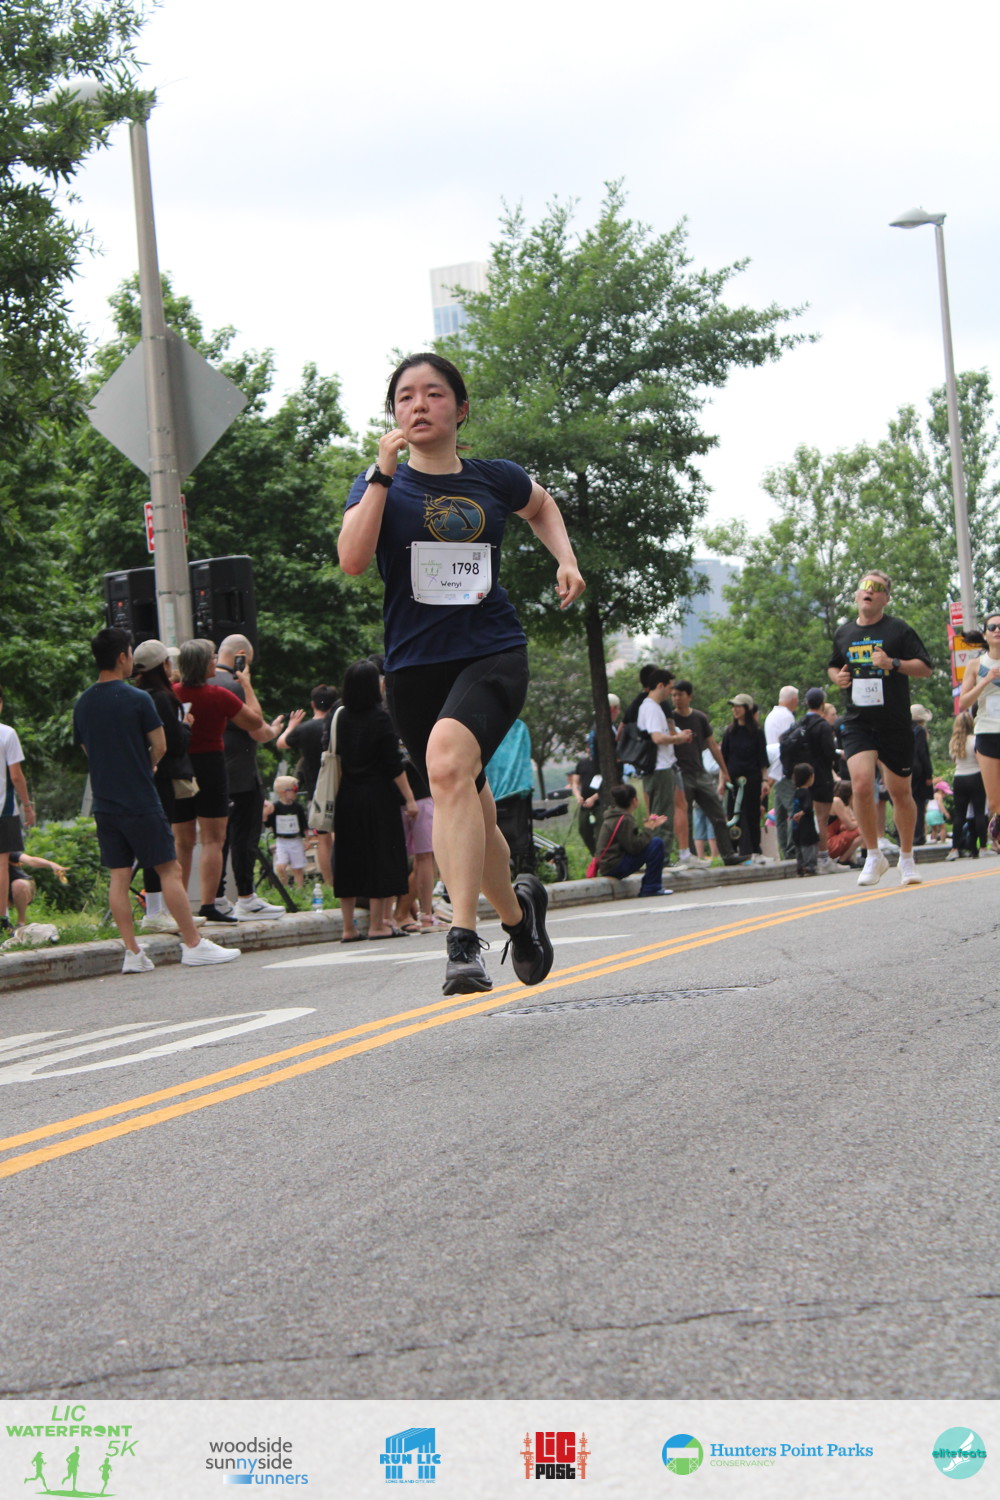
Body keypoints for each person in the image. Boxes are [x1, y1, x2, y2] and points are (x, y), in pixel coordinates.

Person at [338, 352, 585, 995]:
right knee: (468, 803)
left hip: (491, 651)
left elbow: (542, 506)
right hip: (414, 667)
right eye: (405, 396)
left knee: (447, 766)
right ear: (393, 414)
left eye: (434, 393)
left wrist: (565, 559)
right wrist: (381, 474)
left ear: (461, 408)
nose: (419, 405)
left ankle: (462, 941)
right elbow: (353, 560)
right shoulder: (377, 484)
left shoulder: (495, 477)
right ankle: (520, 917)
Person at [72, 628, 238, 970]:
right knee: (169, 869)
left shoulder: (84, 702)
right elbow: (161, 745)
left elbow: (87, 749)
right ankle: (193, 943)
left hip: (105, 801)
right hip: (140, 798)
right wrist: (145, 764)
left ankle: (132, 952)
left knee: (119, 876)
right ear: (122, 656)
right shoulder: (138, 699)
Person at [827, 568, 932, 887]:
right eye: (865, 586)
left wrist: (893, 664)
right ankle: (873, 855)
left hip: (894, 723)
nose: (869, 591)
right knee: (860, 785)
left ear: (886, 598)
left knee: (900, 792)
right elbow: (834, 665)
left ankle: (907, 857)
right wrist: (838, 677)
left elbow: (925, 668)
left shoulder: (898, 630)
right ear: (857, 595)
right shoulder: (844, 633)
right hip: (858, 721)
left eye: (877, 587)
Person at [172, 639, 272, 925]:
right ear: (204, 664)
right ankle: (209, 903)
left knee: (183, 841)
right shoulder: (219, 695)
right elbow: (255, 722)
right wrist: (247, 685)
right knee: (213, 840)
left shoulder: (171, 694)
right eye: (212, 658)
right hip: (212, 766)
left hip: (180, 767)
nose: (215, 662)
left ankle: (178, 907)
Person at [333, 658, 419, 942]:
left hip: (347, 796)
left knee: (349, 858)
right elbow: (393, 764)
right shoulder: (380, 718)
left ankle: (348, 928)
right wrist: (410, 799)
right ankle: (377, 925)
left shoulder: (340, 717)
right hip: (379, 797)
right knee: (380, 856)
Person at [213, 634, 295, 920]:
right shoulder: (233, 686)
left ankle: (216, 897)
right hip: (240, 776)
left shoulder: (201, 684)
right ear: (240, 656)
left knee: (216, 841)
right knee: (243, 839)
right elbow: (257, 728)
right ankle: (246, 897)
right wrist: (275, 730)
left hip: (211, 774)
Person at [131, 638, 206, 934]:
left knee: (156, 843)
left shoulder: (137, 695)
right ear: (163, 665)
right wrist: (185, 725)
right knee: (161, 844)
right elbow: (173, 743)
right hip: (162, 776)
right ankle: (157, 911)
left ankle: (162, 910)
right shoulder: (162, 698)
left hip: (141, 777)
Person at [669, 680, 741, 865]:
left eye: (680, 695)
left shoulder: (699, 718)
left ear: (690, 696)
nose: (676, 698)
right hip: (680, 773)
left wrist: (724, 770)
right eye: (674, 695)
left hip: (699, 772)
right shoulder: (670, 718)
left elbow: (712, 745)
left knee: (717, 813)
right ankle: (689, 856)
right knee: (685, 817)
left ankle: (728, 854)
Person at [277, 683, 339, 886]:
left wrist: (292, 725)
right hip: (341, 787)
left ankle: (330, 883)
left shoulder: (304, 729)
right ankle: (346, 880)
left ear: (312, 704)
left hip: (317, 791)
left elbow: (281, 743)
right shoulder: (339, 724)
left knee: (323, 839)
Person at [957, 610, 1000, 852]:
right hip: (987, 732)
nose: (997, 630)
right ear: (985, 635)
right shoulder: (976, 665)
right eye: (992, 627)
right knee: (994, 801)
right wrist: (986, 680)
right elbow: (963, 703)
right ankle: (997, 825)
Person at [637, 668, 691, 860]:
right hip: (660, 767)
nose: (671, 693)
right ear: (660, 686)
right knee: (663, 816)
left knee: (655, 815)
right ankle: (663, 857)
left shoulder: (647, 706)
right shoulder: (652, 708)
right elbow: (658, 738)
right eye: (669, 688)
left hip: (654, 768)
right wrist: (678, 738)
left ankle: (654, 855)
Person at [594, 783, 671, 896]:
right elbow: (634, 847)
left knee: (654, 843)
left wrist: (648, 827)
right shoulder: (624, 819)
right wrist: (648, 829)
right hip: (614, 866)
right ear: (634, 800)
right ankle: (651, 887)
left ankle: (651, 886)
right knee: (657, 843)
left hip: (608, 864)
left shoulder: (615, 815)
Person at [0, 681, 35, 925]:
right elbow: (16, 775)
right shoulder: (7, 733)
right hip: (4, 809)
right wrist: (27, 805)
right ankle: (2, 917)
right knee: (2, 863)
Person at [719, 695, 769, 860]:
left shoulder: (757, 732)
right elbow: (723, 759)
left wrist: (764, 781)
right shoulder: (729, 732)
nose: (735, 710)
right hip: (733, 781)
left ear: (747, 709)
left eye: (738, 706)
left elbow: (762, 759)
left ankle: (755, 850)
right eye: (733, 707)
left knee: (753, 814)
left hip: (752, 780)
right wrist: (722, 781)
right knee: (733, 815)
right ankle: (733, 851)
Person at [798, 687, 838, 872]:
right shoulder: (823, 726)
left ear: (807, 703)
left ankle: (805, 857)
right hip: (821, 776)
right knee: (822, 819)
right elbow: (830, 752)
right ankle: (823, 858)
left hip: (801, 777)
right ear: (822, 704)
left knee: (805, 816)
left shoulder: (800, 724)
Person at [763, 685, 799, 859]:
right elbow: (788, 746)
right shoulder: (787, 716)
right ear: (793, 700)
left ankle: (785, 849)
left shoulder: (771, 716)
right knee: (793, 810)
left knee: (780, 813)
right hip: (783, 770)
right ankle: (791, 850)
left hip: (774, 768)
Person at [946, 710, 986, 860]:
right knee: (979, 813)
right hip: (975, 776)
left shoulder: (953, 742)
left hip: (959, 778)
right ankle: (982, 847)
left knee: (959, 815)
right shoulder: (975, 740)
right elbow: (980, 760)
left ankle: (954, 848)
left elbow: (954, 760)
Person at [5, 850, 69, 935]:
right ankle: (5, 925)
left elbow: (31, 860)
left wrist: (51, 864)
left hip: (19, 886)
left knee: (19, 884)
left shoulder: (7, 852)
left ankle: (21, 923)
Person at [264, 775, 309, 887]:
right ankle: (284, 887)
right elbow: (268, 823)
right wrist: (265, 814)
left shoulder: (298, 807)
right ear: (283, 792)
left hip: (296, 840)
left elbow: (304, 824)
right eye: (294, 789)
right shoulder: (275, 807)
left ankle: (299, 889)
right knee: (280, 866)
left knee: (297, 868)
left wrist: (307, 839)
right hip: (282, 841)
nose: (296, 792)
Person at [909, 703, 935, 845]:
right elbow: (922, 753)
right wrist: (928, 773)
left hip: (906, 769)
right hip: (918, 771)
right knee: (918, 804)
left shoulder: (905, 729)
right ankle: (918, 835)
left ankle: (905, 835)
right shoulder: (919, 731)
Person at [790, 763, 819, 875]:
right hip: (807, 824)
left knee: (799, 845)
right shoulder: (807, 792)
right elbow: (808, 806)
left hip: (796, 826)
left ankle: (800, 865)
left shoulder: (796, 792)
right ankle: (809, 865)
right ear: (810, 777)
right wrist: (802, 813)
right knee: (809, 845)